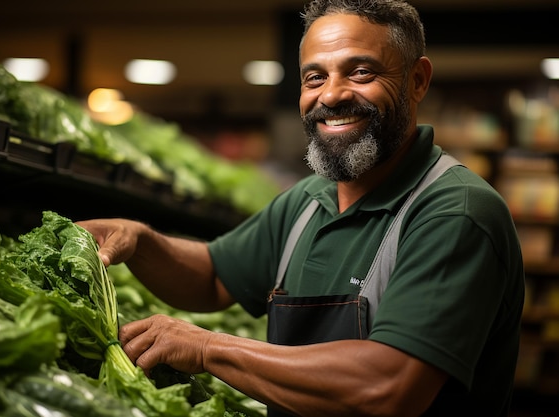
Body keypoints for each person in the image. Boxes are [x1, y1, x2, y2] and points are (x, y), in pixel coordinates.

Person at [77, 0, 525, 415]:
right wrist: (141, 241)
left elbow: (388, 387)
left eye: (361, 72)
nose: (331, 95)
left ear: (417, 80)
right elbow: (214, 277)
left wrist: (207, 348)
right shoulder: (309, 201)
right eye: (315, 77)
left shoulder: (455, 212)